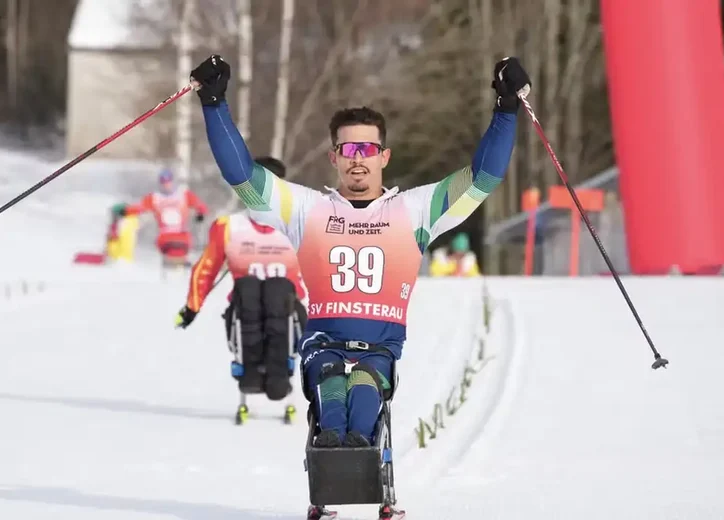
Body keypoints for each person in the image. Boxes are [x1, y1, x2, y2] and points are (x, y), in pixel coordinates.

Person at [190, 54, 528, 520]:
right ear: (333, 157)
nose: (357, 159)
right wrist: (214, 104)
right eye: (347, 149)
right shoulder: (306, 209)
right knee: (332, 394)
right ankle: (328, 481)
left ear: (384, 156)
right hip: (323, 345)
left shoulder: (415, 210)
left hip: (379, 349)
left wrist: (506, 109)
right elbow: (243, 176)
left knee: (365, 395)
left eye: (367, 149)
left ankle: (370, 482)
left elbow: (482, 179)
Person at [174, 156, 309, 409]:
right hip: (245, 308)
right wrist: (192, 307)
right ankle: (251, 371)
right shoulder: (229, 227)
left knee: (277, 289)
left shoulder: (301, 223)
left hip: (288, 310)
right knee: (249, 287)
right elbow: (206, 268)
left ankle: (278, 373)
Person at [112, 168, 209, 265]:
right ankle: (171, 264)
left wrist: (200, 214)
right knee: (171, 253)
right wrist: (125, 211)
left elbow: (200, 205)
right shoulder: (155, 198)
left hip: (182, 235)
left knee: (181, 250)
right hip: (165, 236)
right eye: (163, 182)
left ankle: (181, 264)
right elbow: (140, 208)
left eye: (168, 182)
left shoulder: (183, 195)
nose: (166, 185)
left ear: (173, 182)